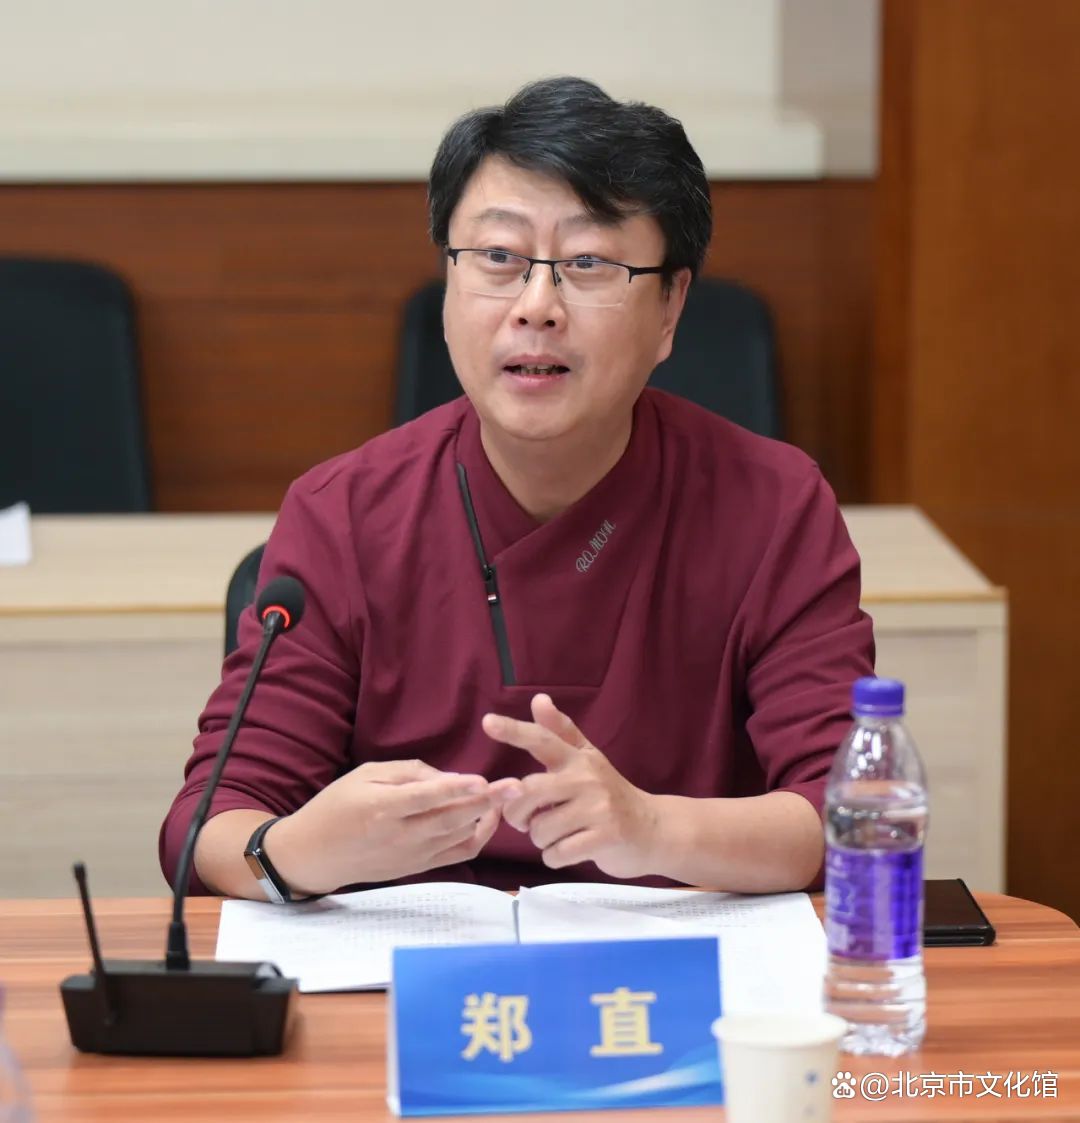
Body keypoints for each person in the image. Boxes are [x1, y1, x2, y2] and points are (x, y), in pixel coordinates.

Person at [160, 76, 874, 902]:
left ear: (670, 307)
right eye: (499, 258)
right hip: (410, 971)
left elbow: (852, 813)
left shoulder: (773, 507)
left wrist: (650, 828)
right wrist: (299, 849)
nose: (537, 306)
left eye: (589, 263)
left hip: (673, 968)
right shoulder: (344, 514)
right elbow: (206, 826)